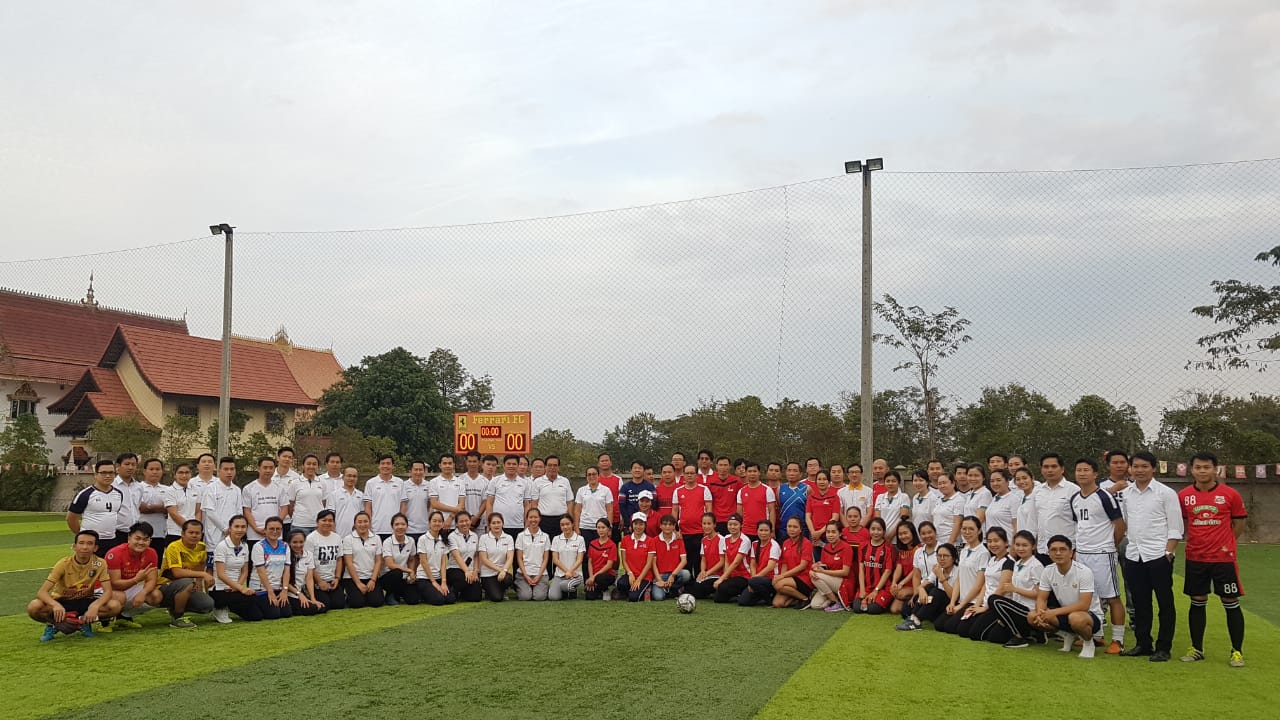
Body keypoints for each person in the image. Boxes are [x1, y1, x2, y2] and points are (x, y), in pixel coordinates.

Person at [1177, 451, 1248, 667]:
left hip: (1223, 559)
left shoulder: (1230, 494)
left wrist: (1227, 543)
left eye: (1207, 467)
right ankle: (1196, 649)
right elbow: (1182, 523)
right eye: (1198, 467)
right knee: (1197, 601)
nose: (1202, 471)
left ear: (1216, 469)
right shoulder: (1184, 496)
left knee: (1230, 601)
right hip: (1195, 557)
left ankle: (1237, 651)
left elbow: (1239, 523)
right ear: (1192, 470)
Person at [1119, 451, 1183, 662]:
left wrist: (1168, 553)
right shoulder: (1127, 494)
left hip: (1158, 555)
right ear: (1130, 469)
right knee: (1140, 602)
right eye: (1136, 466)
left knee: (1165, 603)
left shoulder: (1166, 493)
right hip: (1134, 555)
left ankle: (1163, 647)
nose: (1140, 470)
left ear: (1153, 468)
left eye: (1144, 466)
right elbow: (1127, 522)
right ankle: (1143, 643)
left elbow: (1176, 527)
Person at [1068, 458, 1127, 654]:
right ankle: (1097, 634)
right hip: (1082, 554)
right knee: (1088, 595)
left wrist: (1109, 545)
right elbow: (1079, 526)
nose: (1082, 473)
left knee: (1111, 596)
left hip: (1102, 554)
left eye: (1086, 470)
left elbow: (1120, 525)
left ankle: (1118, 640)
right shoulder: (1075, 499)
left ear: (1095, 474)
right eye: (1078, 470)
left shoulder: (1104, 496)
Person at [29, 530, 120, 641]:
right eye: (81, 543)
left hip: (85, 601)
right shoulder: (63, 564)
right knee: (34, 606)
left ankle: (82, 622)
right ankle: (53, 624)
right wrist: (55, 605)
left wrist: (95, 606)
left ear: (95, 548)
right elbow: (42, 592)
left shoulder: (100, 563)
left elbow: (108, 591)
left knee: (115, 605)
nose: (85, 547)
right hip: (62, 601)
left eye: (89, 543)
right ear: (74, 546)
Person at [1029, 535, 1104, 659]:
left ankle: (1088, 642)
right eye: (1053, 550)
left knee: (1076, 618)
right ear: (1049, 553)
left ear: (1071, 553)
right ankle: (1067, 634)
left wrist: (1053, 612)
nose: (1058, 553)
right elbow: (1042, 598)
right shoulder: (1048, 570)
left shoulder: (1084, 571)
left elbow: (1084, 605)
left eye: (1062, 549)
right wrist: (1040, 613)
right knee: (1032, 616)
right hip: (1066, 614)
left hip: (1088, 616)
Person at [988, 530, 1046, 647]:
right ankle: (1030, 633)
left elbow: (1040, 594)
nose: (1020, 548)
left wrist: (1015, 590)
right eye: (1017, 545)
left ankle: (1019, 637)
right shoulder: (1017, 563)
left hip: (1028, 610)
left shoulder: (1036, 566)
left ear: (1033, 546)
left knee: (994, 599)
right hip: (1016, 607)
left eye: (1025, 545)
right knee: (994, 637)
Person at [956, 527, 1014, 641]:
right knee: (962, 630)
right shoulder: (992, 560)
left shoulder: (1009, 562)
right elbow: (985, 585)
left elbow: (1001, 589)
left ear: (1006, 542)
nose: (993, 544)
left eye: (996, 541)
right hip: (985, 604)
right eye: (990, 541)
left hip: (997, 606)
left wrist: (985, 608)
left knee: (978, 635)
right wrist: (977, 605)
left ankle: (1007, 625)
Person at [104, 521, 162, 629]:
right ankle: (104, 621)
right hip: (107, 589)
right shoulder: (115, 553)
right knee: (120, 597)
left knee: (156, 596)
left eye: (145, 539)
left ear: (150, 541)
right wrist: (136, 580)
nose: (141, 542)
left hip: (128, 586)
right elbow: (114, 583)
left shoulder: (151, 553)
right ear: (129, 538)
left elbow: (152, 580)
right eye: (137, 538)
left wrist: (143, 593)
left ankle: (123, 616)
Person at [158, 520, 215, 626]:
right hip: (165, 585)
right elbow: (176, 573)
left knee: (207, 605)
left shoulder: (202, 546)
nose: (194, 535)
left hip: (186, 585)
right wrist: (203, 574)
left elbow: (201, 564)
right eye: (191, 532)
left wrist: (198, 582)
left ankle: (174, 606)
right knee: (187, 582)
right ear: (183, 534)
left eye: (197, 533)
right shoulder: (174, 547)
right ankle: (177, 617)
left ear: (201, 535)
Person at [939, 516, 990, 634]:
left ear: (979, 531)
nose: (967, 532)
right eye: (964, 528)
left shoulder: (983, 553)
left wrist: (961, 605)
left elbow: (979, 585)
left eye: (971, 529)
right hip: (961, 600)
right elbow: (959, 579)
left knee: (954, 628)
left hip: (973, 601)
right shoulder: (964, 550)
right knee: (940, 625)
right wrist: (952, 602)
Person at [67, 460, 124, 558]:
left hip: (112, 540)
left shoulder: (118, 494)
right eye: (103, 473)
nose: (108, 476)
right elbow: (71, 518)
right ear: (96, 475)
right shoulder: (85, 494)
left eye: (111, 473)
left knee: (111, 567)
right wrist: (83, 535)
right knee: (89, 567)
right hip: (91, 542)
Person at [210, 515, 262, 622]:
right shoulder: (221, 546)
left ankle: (229, 606)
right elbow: (221, 574)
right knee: (248, 599)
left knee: (256, 615)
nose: (240, 530)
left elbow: (245, 571)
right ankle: (219, 608)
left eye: (243, 527)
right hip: (220, 588)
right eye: (236, 526)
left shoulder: (245, 546)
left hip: (235, 587)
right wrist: (241, 589)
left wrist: (237, 587)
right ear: (230, 528)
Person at [897, 541, 958, 630]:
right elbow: (924, 584)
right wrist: (921, 590)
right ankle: (913, 617)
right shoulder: (937, 568)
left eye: (945, 556)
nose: (941, 559)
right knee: (907, 608)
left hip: (950, 603)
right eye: (939, 556)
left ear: (953, 558)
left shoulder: (958, 571)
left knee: (936, 592)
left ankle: (916, 621)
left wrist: (941, 577)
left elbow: (953, 597)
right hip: (935, 601)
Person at [1032, 454, 1080, 554]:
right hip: (1042, 549)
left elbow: (1080, 522)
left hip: (1065, 549)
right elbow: (1034, 519)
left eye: (1054, 466)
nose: (1049, 470)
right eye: (1046, 467)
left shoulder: (1073, 490)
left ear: (1062, 469)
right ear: (1041, 470)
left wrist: (1077, 549)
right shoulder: (1037, 490)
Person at [249, 516, 293, 620]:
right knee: (273, 614)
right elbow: (261, 571)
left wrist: (284, 590)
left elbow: (287, 571)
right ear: (265, 530)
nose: (275, 531)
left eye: (278, 529)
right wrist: (270, 591)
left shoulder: (285, 546)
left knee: (287, 612)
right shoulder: (259, 546)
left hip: (278, 587)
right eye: (271, 529)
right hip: (261, 588)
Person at [673, 465, 712, 574]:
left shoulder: (704, 489)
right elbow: (675, 511)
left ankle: (700, 582)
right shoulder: (678, 491)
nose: (689, 475)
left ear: (696, 475)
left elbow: (709, 510)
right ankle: (687, 583)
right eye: (687, 473)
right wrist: (675, 530)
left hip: (701, 532)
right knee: (687, 562)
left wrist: (708, 529)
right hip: (684, 533)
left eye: (692, 473)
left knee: (700, 560)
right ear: (684, 475)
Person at [304, 509, 347, 610]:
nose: (327, 523)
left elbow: (339, 559)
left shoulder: (337, 538)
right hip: (316, 581)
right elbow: (308, 564)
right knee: (325, 605)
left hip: (332, 580)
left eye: (330, 520)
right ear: (317, 522)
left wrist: (337, 578)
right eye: (324, 520)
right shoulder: (310, 539)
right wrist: (319, 581)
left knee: (339, 605)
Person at [196, 457, 242, 549]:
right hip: (214, 536)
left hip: (233, 534)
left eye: (232, 469)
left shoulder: (237, 490)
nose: (229, 472)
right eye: (226, 469)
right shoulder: (211, 488)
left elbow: (239, 511)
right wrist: (225, 529)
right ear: (219, 471)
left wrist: (235, 528)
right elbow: (210, 512)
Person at [341, 511, 385, 608]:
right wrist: (358, 583)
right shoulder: (348, 539)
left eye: (365, 521)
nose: (363, 524)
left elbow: (378, 561)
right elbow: (348, 562)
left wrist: (373, 580)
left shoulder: (376, 538)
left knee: (377, 602)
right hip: (353, 578)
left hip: (370, 577)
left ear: (369, 523)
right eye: (359, 522)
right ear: (355, 524)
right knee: (357, 604)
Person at [809, 522, 855, 612]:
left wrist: (822, 572)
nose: (830, 535)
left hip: (844, 582)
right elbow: (823, 566)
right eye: (828, 532)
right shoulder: (826, 547)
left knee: (816, 576)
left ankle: (836, 602)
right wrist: (812, 569)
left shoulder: (846, 547)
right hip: (829, 580)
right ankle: (835, 598)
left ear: (840, 533)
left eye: (833, 532)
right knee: (815, 605)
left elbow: (845, 572)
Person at [854, 517, 894, 614]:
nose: (876, 532)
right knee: (857, 608)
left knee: (873, 609)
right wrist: (862, 589)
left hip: (882, 588)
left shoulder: (888, 548)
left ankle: (882, 601)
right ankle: (869, 598)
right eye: (873, 529)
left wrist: (876, 590)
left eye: (879, 529)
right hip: (866, 587)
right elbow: (861, 569)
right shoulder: (863, 546)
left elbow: (888, 571)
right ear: (869, 530)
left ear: (884, 532)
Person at [487, 455, 532, 542]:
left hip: (518, 525)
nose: (511, 466)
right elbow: (489, 503)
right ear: (504, 465)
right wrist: (489, 522)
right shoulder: (495, 481)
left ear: (518, 465)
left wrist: (526, 523)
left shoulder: (525, 483)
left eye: (514, 464)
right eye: (508, 464)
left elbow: (527, 505)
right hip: (498, 525)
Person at [416, 511, 457, 606]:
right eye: (434, 521)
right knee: (439, 600)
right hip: (424, 578)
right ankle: (423, 594)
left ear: (442, 524)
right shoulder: (422, 539)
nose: (437, 523)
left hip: (438, 577)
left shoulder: (443, 540)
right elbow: (423, 562)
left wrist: (443, 582)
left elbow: (443, 563)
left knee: (451, 599)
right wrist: (433, 582)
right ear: (429, 523)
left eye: (439, 521)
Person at [242, 457, 284, 547]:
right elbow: (247, 511)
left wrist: (276, 527)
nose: (268, 470)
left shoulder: (280, 488)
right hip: (254, 534)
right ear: (258, 469)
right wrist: (256, 528)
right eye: (265, 467)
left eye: (271, 468)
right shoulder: (248, 488)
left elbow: (284, 509)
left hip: (275, 534)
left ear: (274, 469)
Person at [772, 517, 813, 608]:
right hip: (790, 578)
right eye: (789, 526)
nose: (791, 529)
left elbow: (802, 566)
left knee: (779, 585)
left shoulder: (806, 543)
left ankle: (805, 599)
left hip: (804, 578)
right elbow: (784, 563)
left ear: (800, 529)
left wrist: (782, 576)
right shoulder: (785, 543)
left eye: (795, 527)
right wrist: (781, 577)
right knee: (777, 603)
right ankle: (796, 597)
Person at [379, 513, 419, 605]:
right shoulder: (387, 542)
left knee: (413, 600)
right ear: (392, 527)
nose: (400, 527)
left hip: (404, 576)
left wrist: (411, 574)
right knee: (397, 572)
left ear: (407, 526)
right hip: (388, 577)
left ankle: (397, 594)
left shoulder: (411, 541)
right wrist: (409, 570)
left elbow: (411, 559)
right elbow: (390, 565)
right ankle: (390, 594)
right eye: (396, 524)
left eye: (403, 524)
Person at [739, 520, 781, 606]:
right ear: (757, 531)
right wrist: (753, 578)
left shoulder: (774, 545)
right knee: (743, 601)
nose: (763, 533)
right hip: (757, 578)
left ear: (771, 532)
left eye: (766, 530)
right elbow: (752, 564)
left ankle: (769, 597)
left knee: (753, 583)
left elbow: (770, 567)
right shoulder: (754, 544)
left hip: (771, 579)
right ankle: (761, 596)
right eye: (761, 530)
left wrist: (753, 580)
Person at [365, 454, 407, 541]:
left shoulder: (400, 482)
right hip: (376, 529)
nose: (385, 466)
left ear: (393, 466)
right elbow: (368, 507)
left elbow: (403, 505)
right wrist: (369, 526)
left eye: (388, 463)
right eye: (383, 463)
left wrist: (401, 524)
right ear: (379, 466)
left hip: (395, 529)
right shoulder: (371, 483)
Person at [284, 454, 327, 536]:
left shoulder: (322, 482)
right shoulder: (295, 483)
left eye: (314, 464)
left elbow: (324, 502)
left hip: (318, 524)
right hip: (299, 525)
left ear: (317, 466)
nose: (311, 466)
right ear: (303, 466)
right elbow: (290, 504)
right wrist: (297, 516)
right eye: (308, 464)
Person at [285, 529, 326, 616]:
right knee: (311, 609)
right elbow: (284, 581)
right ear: (289, 543)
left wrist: (312, 598)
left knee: (322, 607)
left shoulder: (309, 555)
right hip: (290, 592)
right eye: (294, 542)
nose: (298, 545)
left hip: (302, 591)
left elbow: (309, 578)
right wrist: (299, 594)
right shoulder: (285, 556)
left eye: (301, 542)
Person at [513, 508, 551, 601]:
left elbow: (546, 559)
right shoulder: (520, 536)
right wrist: (526, 575)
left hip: (540, 574)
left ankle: (541, 586)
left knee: (539, 597)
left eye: (536, 517)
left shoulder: (545, 536)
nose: (533, 520)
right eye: (530, 517)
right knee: (525, 597)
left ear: (540, 518)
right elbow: (519, 558)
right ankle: (523, 586)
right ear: (527, 519)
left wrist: (539, 576)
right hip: (523, 574)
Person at [684, 514, 724, 600]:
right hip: (708, 575)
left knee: (696, 589)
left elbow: (722, 562)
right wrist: (702, 571)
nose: (706, 526)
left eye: (709, 524)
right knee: (692, 586)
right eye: (704, 523)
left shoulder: (721, 539)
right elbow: (703, 559)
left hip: (718, 575)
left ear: (714, 524)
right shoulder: (704, 540)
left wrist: (707, 573)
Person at [617, 512, 656, 602]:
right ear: (632, 525)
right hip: (631, 575)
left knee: (633, 598)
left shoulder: (650, 541)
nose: (638, 527)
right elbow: (624, 561)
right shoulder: (625, 539)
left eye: (641, 524)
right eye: (636, 524)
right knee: (621, 583)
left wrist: (639, 579)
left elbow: (649, 564)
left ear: (645, 526)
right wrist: (630, 573)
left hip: (645, 576)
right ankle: (633, 590)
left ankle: (647, 589)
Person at [446, 511, 483, 603]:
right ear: (457, 524)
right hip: (455, 568)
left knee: (476, 597)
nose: (464, 523)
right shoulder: (452, 536)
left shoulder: (474, 536)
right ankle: (452, 589)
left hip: (470, 570)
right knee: (463, 580)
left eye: (466, 520)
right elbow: (456, 556)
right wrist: (466, 571)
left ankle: (462, 592)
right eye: (461, 521)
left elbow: (476, 555)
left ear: (470, 521)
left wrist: (475, 571)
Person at [713, 515, 751, 603]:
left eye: (735, 524)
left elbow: (736, 562)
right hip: (732, 575)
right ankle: (736, 594)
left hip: (744, 576)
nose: (732, 527)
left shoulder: (745, 540)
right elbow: (727, 560)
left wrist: (721, 579)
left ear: (741, 525)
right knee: (718, 598)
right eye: (730, 524)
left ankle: (743, 591)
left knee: (722, 588)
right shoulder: (726, 538)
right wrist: (726, 577)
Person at [478, 514, 516, 601]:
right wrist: (500, 570)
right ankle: (489, 591)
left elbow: (510, 557)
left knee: (508, 579)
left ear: (502, 524)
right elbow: (484, 559)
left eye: (498, 522)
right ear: (489, 525)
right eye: (493, 523)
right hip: (488, 574)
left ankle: (502, 590)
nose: (496, 525)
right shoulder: (483, 538)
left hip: (502, 573)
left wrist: (504, 570)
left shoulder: (509, 538)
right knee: (497, 598)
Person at [137, 459, 169, 559]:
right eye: (151, 469)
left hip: (160, 533)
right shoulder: (138, 487)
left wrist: (150, 506)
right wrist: (162, 508)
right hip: (140, 534)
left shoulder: (168, 489)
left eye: (157, 469)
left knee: (156, 562)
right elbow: (142, 508)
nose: (154, 472)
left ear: (162, 471)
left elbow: (170, 509)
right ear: (144, 471)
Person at [548, 515, 586, 600]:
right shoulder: (556, 539)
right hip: (559, 574)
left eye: (567, 524)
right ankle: (564, 592)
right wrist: (567, 571)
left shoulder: (580, 539)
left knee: (565, 586)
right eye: (562, 525)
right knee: (553, 597)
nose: (565, 527)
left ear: (572, 524)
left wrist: (571, 571)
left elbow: (579, 559)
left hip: (575, 575)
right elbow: (555, 559)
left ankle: (571, 590)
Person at [887, 522, 921, 615]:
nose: (903, 536)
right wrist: (894, 583)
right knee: (894, 610)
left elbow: (915, 570)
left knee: (900, 594)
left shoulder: (919, 549)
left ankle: (916, 599)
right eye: (900, 534)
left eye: (905, 533)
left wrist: (902, 583)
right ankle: (909, 603)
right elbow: (899, 567)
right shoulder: (902, 550)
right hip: (904, 585)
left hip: (916, 583)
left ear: (912, 533)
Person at [429, 453, 465, 535]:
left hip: (456, 524)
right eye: (444, 463)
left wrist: (450, 518)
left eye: (450, 463)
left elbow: (461, 504)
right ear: (440, 465)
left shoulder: (460, 482)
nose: (447, 466)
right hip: (439, 525)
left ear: (454, 465)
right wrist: (455, 509)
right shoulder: (434, 482)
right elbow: (434, 504)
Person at [111, 453, 142, 549]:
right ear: (118, 466)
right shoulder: (111, 486)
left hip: (134, 533)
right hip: (116, 533)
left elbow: (137, 507)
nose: (130, 467)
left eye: (133, 464)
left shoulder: (139, 487)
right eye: (127, 464)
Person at [163, 462, 197, 545]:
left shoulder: (196, 489)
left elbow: (198, 511)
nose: (184, 475)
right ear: (174, 475)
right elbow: (173, 514)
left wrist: (196, 528)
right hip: (175, 532)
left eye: (187, 473)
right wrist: (188, 528)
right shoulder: (169, 491)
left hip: (194, 533)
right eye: (180, 473)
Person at [584, 519, 618, 600]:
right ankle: (599, 590)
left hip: (606, 575)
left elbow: (609, 565)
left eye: (603, 527)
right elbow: (590, 562)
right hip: (594, 575)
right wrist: (591, 577)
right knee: (589, 597)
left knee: (600, 578)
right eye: (598, 528)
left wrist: (594, 577)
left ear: (608, 529)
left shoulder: (612, 545)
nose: (601, 530)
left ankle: (605, 590)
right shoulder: (592, 543)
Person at [707, 457, 741, 534]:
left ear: (729, 466)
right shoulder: (710, 482)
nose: (723, 468)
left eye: (725, 465)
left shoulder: (736, 481)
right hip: (716, 520)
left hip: (732, 520)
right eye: (721, 465)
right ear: (716, 466)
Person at [328, 466, 366, 535]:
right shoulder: (334, 494)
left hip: (356, 534)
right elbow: (330, 515)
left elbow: (362, 515)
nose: (351, 478)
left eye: (354, 476)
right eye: (349, 476)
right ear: (343, 477)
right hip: (339, 533)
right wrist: (333, 531)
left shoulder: (361, 495)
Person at [872, 470, 911, 538]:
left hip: (898, 537)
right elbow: (878, 519)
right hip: (881, 536)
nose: (890, 484)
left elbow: (902, 519)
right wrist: (881, 535)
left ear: (898, 483)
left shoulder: (904, 497)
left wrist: (890, 536)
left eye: (893, 481)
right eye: (888, 481)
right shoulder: (880, 497)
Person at [402, 460, 433, 540]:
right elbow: (402, 507)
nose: (418, 472)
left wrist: (430, 523)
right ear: (410, 471)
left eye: (420, 470)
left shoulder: (429, 485)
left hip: (425, 529)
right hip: (408, 529)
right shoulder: (403, 485)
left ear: (424, 471)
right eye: (416, 470)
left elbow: (431, 505)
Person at [931, 473, 964, 545]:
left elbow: (957, 523)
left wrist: (950, 542)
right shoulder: (939, 500)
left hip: (951, 543)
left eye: (944, 483)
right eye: (939, 484)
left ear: (953, 483)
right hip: (938, 541)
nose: (942, 486)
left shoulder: (959, 500)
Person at [779, 463, 809, 539]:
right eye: (789, 470)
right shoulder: (780, 488)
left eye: (795, 471)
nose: (791, 473)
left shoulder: (807, 489)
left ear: (800, 474)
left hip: (802, 529)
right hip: (784, 529)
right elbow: (779, 506)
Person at [984, 469, 1016, 536]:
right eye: (992, 481)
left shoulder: (1014, 499)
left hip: (1008, 540)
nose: (995, 483)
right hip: (992, 540)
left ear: (1007, 481)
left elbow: (1016, 525)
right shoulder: (995, 498)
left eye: (998, 480)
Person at [1012, 468, 1038, 540]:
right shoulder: (1021, 497)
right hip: (1022, 540)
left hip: (1032, 540)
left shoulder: (1037, 497)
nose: (1021, 481)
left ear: (1032, 478)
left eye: (1024, 478)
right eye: (1018, 479)